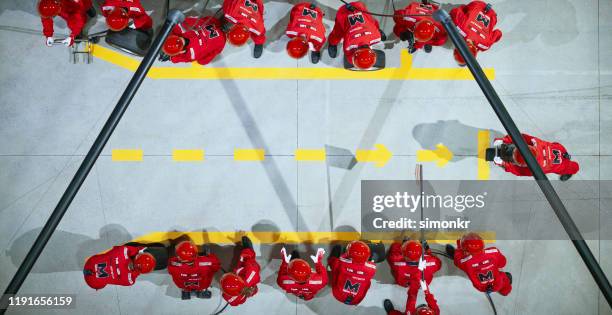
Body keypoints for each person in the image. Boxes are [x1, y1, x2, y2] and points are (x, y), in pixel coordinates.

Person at [487, 133, 579, 181]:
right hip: (543, 161)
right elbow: (519, 171)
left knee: (524, 138)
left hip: (542, 149)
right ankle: (504, 161)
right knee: (522, 171)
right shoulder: (564, 168)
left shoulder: (561, 148)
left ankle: (504, 142)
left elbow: (555, 143)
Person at [446, 233, 512, 296]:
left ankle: (455, 253)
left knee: (458, 259)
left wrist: (459, 247)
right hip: (497, 284)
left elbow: (457, 260)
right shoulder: (493, 252)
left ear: (465, 252)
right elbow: (503, 263)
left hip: (481, 287)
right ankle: (505, 291)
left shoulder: (465, 262)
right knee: (503, 277)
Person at [387, 240, 441, 314]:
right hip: (422, 283)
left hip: (406, 282)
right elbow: (438, 263)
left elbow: (393, 254)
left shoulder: (397, 263)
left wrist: (401, 245)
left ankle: (391, 311)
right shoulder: (432, 263)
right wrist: (426, 291)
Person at [328, 1, 385, 70]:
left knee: (371, 22)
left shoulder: (377, 36)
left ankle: (332, 43)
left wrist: (379, 31)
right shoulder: (349, 44)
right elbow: (348, 55)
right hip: (344, 12)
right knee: (337, 33)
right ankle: (332, 43)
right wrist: (354, 61)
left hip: (359, 7)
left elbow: (374, 26)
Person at [450, 1, 502, 66]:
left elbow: (498, 33)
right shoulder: (461, 28)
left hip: (492, 15)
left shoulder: (485, 45)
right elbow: (455, 11)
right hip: (477, 4)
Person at [83, 245, 155, 290]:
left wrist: (139, 249)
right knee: (103, 282)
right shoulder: (129, 281)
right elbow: (136, 273)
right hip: (92, 283)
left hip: (90, 263)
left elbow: (137, 249)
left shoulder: (123, 250)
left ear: (137, 257)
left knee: (103, 257)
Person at [160, 16, 226, 65]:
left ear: (181, 51)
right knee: (202, 20)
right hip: (213, 25)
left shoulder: (191, 55)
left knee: (202, 62)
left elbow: (182, 58)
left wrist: (171, 58)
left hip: (222, 40)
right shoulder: (182, 27)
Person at [328, 240, 377, 305]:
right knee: (368, 280)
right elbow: (370, 263)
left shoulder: (341, 262)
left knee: (336, 253)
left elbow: (334, 262)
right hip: (356, 300)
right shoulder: (372, 268)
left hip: (338, 295)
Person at [220, 236, 261, 306]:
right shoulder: (252, 274)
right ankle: (248, 248)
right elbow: (250, 261)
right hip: (246, 271)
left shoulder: (233, 300)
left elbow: (227, 296)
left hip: (245, 281)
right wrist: (247, 250)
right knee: (248, 256)